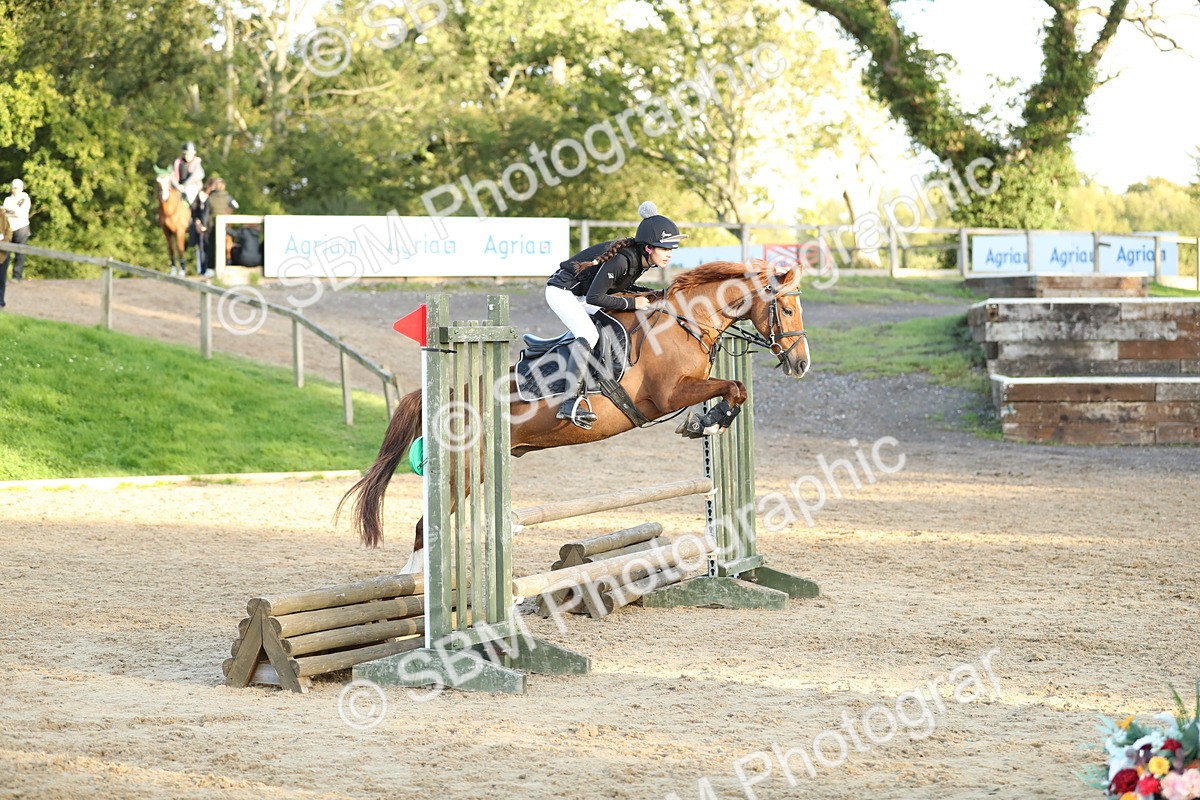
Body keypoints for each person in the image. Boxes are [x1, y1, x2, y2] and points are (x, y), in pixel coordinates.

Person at [545, 200, 686, 427]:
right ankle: (568, 402)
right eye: (665, 249)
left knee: (613, 321)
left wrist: (659, 294)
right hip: (562, 293)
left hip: (583, 295)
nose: (670, 254)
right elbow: (594, 298)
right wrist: (633, 305)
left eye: (671, 249)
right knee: (589, 334)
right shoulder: (622, 260)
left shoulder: (641, 260)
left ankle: (596, 376)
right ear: (648, 247)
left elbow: (623, 289)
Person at [2, 178, 32, 280]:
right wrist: (13, 210)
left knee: (20, 252)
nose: (15, 190)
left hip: (22, 227)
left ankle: (17, 276)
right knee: (6, 252)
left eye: (17, 188)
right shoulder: (8, 199)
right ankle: (4, 275)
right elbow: (4, 213)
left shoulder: (25, 198)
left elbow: (20, 214)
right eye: (14, 188)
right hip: (10, 228)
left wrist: (11, 210)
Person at [171, 142, 205, 207]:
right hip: (178, 186)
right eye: (185, 154)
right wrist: (177, 185)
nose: (187, 156)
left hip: (192, 186)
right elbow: (172, 175)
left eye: (189, 154)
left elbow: (195, 176)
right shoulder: (178, 162)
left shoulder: (196, 163)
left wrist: (184, 185)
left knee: (191, 195)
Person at [0, 198, 12, 309]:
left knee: (1, 280)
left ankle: (1, 303)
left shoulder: (4, 218)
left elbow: (9, 233)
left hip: (2, 254)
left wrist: (3, 242)